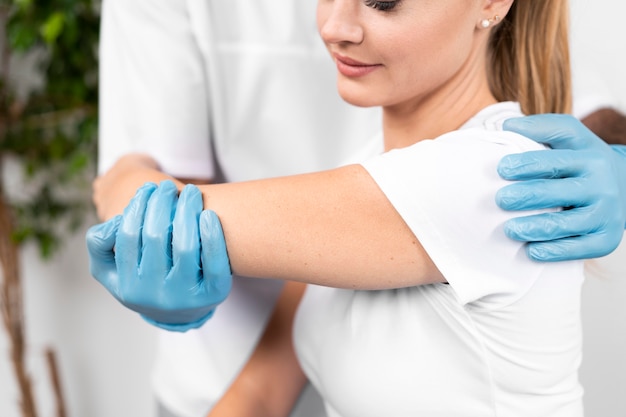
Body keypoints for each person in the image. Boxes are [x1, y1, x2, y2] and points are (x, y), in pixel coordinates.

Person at [88, 0, 626, 416]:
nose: (333, 27)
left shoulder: (494, 181)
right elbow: (261, 391)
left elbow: (151, 207)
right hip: (206, 367)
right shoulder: (367, 168)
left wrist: (125, 177)